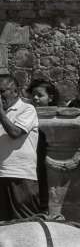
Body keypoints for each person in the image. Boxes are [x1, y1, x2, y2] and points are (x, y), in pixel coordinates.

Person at [0, 74, 42, 221]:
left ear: (15, 92)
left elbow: (15, 132)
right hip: (1, 176)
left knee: (26, 225)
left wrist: (0, 113)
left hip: (21, 177)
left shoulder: (27, 109)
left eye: (1, 91)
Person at [27, 78, 58, 216]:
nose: (35, 98)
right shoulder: (26, 113)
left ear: (50, 97)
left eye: (40, 95)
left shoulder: (58, 114)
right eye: (33, 95)